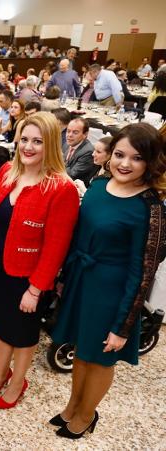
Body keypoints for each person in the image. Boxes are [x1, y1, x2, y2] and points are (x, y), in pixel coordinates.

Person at [50, 123, 166, 438]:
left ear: (151, 162)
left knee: (100, 358)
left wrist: (124, 324)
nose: (125, 164)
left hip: (114, 292)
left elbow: (143, 271)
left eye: (137, 158)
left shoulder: (150, 207)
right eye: (119, 154)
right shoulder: (100, 185)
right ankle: (73, 406)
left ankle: (87, 415)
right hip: (84, 282)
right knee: (80, 350)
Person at [0, 112, 79, 409]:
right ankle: (0, 373)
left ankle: (17, 381)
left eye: (38, 141)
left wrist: (36, 289)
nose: (29, 147)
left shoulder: (61, 188)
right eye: (24, 139)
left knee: (22, 333)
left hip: (29, 278)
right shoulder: (7, 172)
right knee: (0, 325)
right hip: (0, 269)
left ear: (50, 144)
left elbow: (56, 247)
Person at [63, 118, 98, 187]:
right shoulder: (68, 143)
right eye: (68, 131)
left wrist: (57, 165)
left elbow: (72, 175)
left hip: (75, 187)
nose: (69, 135)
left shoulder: (88, 151)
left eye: (75, 132)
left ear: (85, 134)